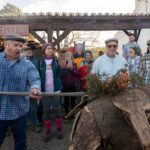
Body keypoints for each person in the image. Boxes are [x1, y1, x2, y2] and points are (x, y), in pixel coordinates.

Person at [0, 34, 41, 150]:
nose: (19, 48)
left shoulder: (27, 64)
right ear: (6, 44)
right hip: (0, 112)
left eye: (20, 46)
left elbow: (35, 79)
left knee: (20, 143)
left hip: (19, 111)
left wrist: (35, 88)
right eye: (16, 45)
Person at [39, 43, 66, 142]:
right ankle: (48, 131)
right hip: (44, 90)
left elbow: (62, 75)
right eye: (48, 48)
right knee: (46, 111)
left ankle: (59, 130)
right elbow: (37, 75)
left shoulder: (55, 61)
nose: (50, 50)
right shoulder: (40, 62)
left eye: (51, 48)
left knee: (57, 110)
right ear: (44, 50)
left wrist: (63, 67)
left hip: (56, 89)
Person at [61, 52, 78, 117]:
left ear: (71, 57)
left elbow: (77, 74)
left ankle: (73, 113)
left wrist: (72, 69)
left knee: (73, 100)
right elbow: (61, 75)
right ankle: (67, 113)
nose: (68, 57)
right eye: (66, 56)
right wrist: (64, 68)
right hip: (65, 86)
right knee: (66, 100)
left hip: (73, 85)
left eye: (69, 56)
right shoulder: (62, 64)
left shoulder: (74, 64)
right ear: (65, 57)